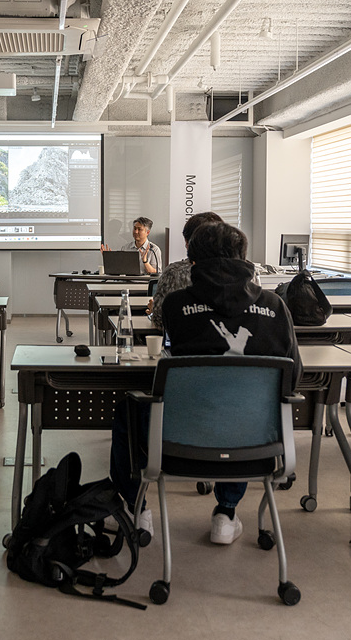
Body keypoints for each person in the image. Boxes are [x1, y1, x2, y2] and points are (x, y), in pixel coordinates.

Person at [110, 222, 302, 544]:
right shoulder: (275, 307)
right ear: (244, 259)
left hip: (180, 439)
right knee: (241, 410)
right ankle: (226, 515)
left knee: (127, 410)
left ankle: (138, 507)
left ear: (193, 261)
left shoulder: (175, 306)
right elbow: (293, 376)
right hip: (256, 443)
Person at [147, 211, 223, 329]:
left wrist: (154, 311)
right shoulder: (246, 273)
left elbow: (160, 321)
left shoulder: (174, 273)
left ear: (188, 243)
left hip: (185, 345)